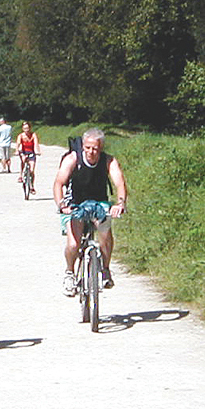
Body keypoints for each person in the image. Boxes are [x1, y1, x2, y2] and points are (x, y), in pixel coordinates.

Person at [54, 127, 128, 296]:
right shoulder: (73, 159)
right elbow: (58, 183)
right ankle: (70, 273)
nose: (91, 152)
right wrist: (61, 205)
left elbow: (120, 183)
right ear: (83, 146)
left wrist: (120, 203)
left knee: (105, 235)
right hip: (75, 203)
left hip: (99, 203)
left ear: (101, 148)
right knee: (74, 244)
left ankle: (105, 269)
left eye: (95, 148)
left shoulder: (108, 161)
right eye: (87, 147)